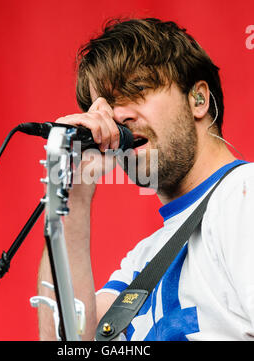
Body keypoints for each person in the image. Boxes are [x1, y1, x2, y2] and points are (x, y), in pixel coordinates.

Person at [37, 18, 254, 341]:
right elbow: (67, 343)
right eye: (107, 107)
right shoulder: (143, 258)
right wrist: (74, 192)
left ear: (198, 99)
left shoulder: (243, 197)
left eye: (136, 91)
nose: (118, 116)